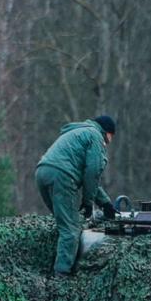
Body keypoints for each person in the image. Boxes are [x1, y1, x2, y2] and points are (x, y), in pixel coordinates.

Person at [35, 115, 117, 276]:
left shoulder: (77, 132)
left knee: (64, 223)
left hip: (42, 172)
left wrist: (105, 204)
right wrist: (88, 202)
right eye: (111, 136)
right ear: (107, 132)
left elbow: (88, 178)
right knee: (70, 229)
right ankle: (61, 276)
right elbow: (92, 173)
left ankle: (57, 264)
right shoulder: (95, 136)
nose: (110, 141)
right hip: (62, 176)